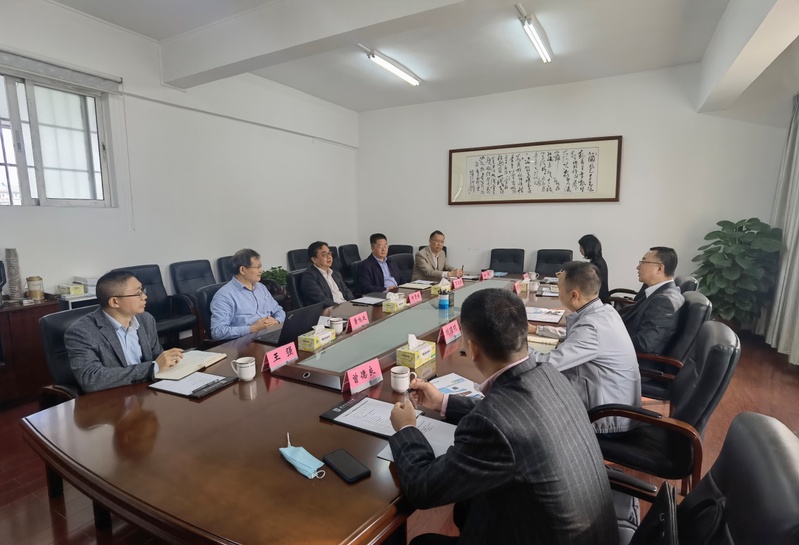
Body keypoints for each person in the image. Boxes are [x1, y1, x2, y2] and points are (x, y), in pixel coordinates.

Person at [388, 288, 618, 545]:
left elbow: (423, 487)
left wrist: (407, 428)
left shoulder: (493, 424)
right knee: (469, 506)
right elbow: (511, 416)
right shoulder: (550, 374)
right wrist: (442, 401)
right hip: (591, 534)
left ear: (472, 348)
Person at [527, 261, 640, 433]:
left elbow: (547, 364)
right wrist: (537, 329)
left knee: (531, 407)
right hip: (607, 402)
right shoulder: (604, 312)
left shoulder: (592, 328)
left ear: (574, 295)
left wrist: (512, 346)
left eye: (559, 288)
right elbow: (575, 335)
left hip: (607, 420)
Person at [65, 270, 184, 393]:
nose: (144, 297)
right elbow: (91, 379)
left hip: (147, 390)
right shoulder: (81, 332)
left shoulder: (146, 319)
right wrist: (152, 368)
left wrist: (169, 361)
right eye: (138, 293)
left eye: (142, 290)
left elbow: (157, 357)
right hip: (112, 397)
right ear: (114, 302)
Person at [620, 246, 685, 354]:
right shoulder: (659, 292)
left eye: (643, 262)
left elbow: (644, 344)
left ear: (659, 268)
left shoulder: (664, 302)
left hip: (631, 358)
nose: (638, 267)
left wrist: (610, 339)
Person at [210, 248, 286, 340]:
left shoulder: (261, 287)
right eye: (257, 267)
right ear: (243, 270)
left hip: (269, 334)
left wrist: (277, 321)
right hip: (245, 341)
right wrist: (252, 329)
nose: (261, 271)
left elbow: (279, 310)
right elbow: (217, 331)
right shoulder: (224, 296)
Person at [300, 241, 353, 307]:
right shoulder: (309, 277)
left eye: (329, 253)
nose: (329, 257)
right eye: (324, 254)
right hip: (330, 310)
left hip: (345, 306)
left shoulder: (335, 272)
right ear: (314, 259)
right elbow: (320, 299)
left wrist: (353, 303)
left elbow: (346, 291)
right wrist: (340, 308)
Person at [578, 234, 609, 302]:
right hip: (595, 298)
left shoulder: (596, 264)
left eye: (581, 248)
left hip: (598, 300)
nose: (579, 250)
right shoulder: (598, 261)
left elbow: (587, 284)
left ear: (588, 248)